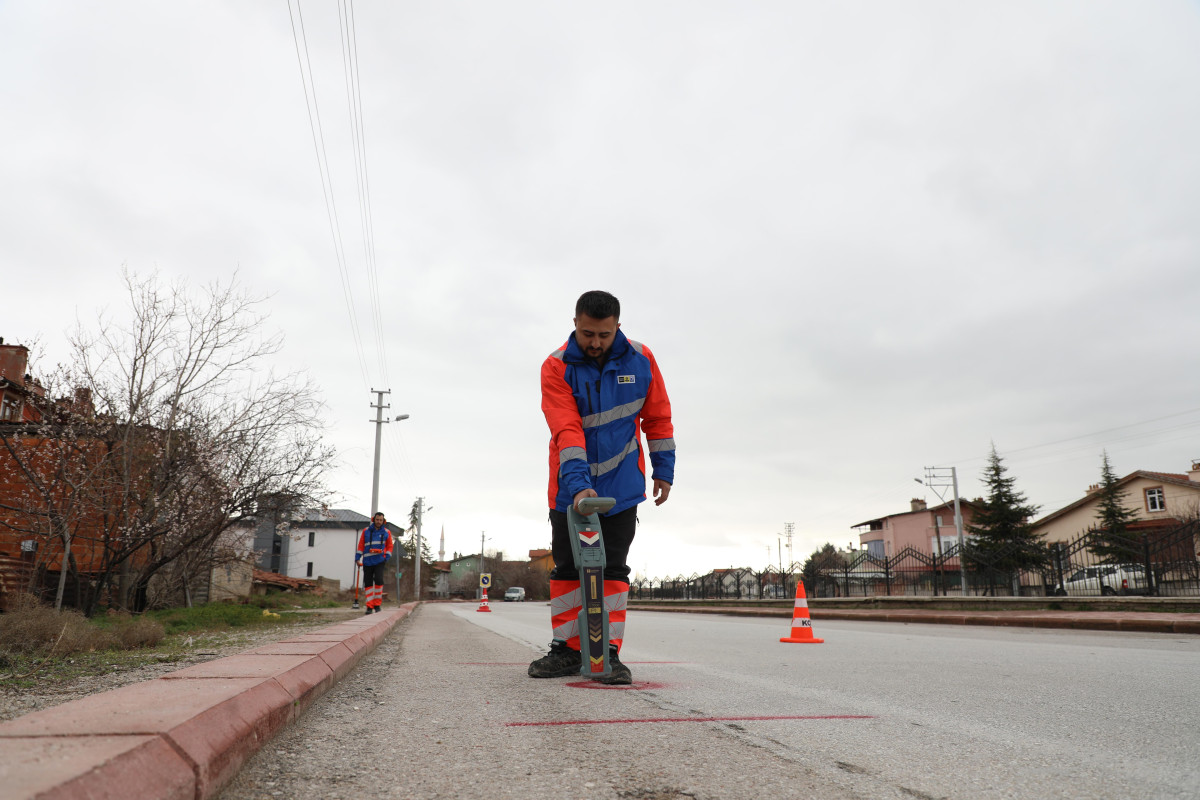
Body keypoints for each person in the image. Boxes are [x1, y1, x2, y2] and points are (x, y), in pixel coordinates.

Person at [528, 290, 675, 685]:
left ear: (618, 328)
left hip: (622, 487)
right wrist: (578, 487)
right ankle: (566, 649)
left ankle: (606, 651)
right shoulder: (556, 367)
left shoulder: (642, 359)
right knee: (568, 568)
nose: (595, 343)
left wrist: (664, 469)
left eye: (604, 335)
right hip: (568, 489)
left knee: (611, 569)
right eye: (588, 333)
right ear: (575, 323)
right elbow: (567, 430)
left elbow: (658, 418)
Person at [356, 512, 395, 614]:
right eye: (377, 520)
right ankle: (369, 606)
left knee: (378, 580)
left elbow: (390, 546)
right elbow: (361, 545)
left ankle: (377, 605)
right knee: (368, 583)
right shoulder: (366, 531)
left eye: (380, 520)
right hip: (367, 561)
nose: (378, 522)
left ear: (383, 521)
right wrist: (357, 557)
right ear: (374, 520)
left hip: (379, 561)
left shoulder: (387, 532)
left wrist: (387, 556)